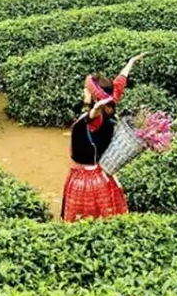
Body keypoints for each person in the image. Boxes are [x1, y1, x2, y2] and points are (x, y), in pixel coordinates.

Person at [61, 53, 146, 222]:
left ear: (94, 97)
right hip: (103, 174)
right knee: (107, 220)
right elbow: (118, 85)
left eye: (86, 89)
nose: (83, 90)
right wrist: (130, 63)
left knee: (83, 223)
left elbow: (91, 117)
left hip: (86, 178)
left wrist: (93, 109)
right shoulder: (110, 105)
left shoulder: (96, 118)